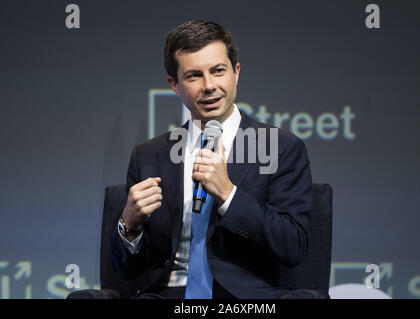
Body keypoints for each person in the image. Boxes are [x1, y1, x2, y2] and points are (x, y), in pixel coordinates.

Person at [110, 20, 313, 299]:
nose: (208, 86)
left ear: (236, 72)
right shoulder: (148, 156)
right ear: (174, 84)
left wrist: (228, 195)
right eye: (193, 76)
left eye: (218, 71)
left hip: (244, 298)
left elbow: (293, 245)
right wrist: (129, 226)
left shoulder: (281, 148)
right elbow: (129, 269)